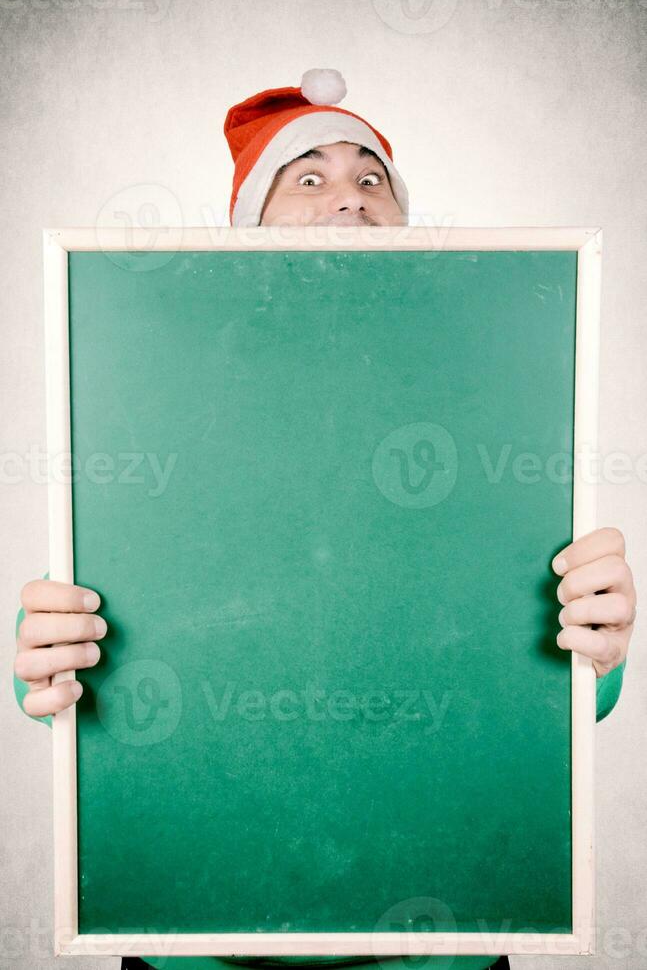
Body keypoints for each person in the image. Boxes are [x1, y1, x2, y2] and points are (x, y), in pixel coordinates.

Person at [14, 68, 635, 970]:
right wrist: (41, 660)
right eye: (306, 177)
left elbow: (530, 663)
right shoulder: (168, 397)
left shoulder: (481, 395)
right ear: (246, 230)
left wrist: (601, 654)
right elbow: (94, 630)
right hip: (190, 940)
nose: (348, 197)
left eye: (370, 177)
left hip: (445, 941)